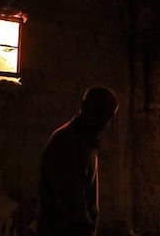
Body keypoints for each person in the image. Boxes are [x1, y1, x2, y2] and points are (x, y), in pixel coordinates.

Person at [37, 86, 118, 236]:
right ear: (86, 109)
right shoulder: (66, 143)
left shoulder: (84, 142)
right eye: (102, 116)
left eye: (108, 117)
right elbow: (72, 206)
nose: (105, 124)